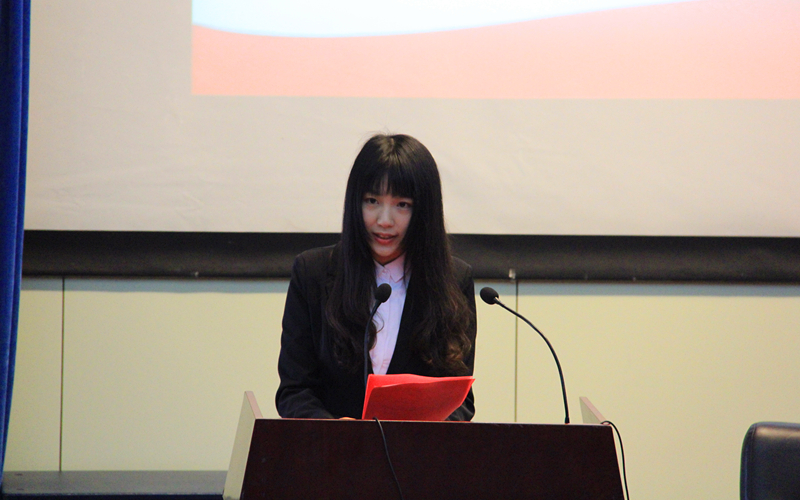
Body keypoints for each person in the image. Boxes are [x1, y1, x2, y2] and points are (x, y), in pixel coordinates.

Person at [275, 133, 477, 420]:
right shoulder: (312, 273)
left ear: (425, 211)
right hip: (333, 447)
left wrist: (416, 437)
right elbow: (294, 391)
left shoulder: (454, 280)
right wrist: (335, 432)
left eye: (402, 205)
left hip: (413, 449)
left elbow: (460, 400)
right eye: (372, 201)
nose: (384, 220)